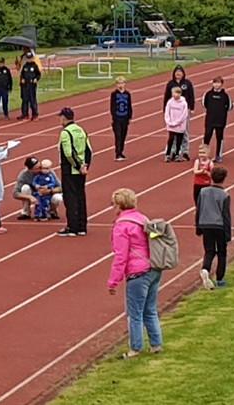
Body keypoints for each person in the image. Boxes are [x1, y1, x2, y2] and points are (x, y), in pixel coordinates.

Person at [106, 188, 163, 358]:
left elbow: (121, 256)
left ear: (119, 205)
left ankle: (135, 348)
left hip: (137, 272)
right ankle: (156, 344)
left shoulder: (122, 226)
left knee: (135, 313)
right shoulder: (142, 219)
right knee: (150, 309)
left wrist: (113, 281)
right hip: (153, 267)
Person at [57, 107, 92, 237]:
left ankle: (72, 227)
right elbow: (89, 150)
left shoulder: (65, 132)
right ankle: (82, 227)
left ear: (64, 118)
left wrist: (77, 166)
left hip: (70, 170)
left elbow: (68, 153)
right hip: (82, 170)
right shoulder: (81, 130)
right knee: (81, 196)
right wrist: (85, 166)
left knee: (70, 198)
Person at [196, 166, 232, 289]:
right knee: (222, 252)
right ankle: (220, 279)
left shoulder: (203, 192)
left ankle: (205, 269)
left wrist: (198, 227)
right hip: (219, 225)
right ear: (224, 179)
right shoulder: (225, 195)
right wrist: (228, 234)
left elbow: (199, 209)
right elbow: (226, 215)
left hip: (205, 224)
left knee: (209, 250)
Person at [162, 65, 195, 160]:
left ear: (183, 73)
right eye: (176, 72)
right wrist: (165, 109)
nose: (178, 74)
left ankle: (185, 151)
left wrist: (192, 107)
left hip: (184, 111)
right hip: (173, 112)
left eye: (180, 72)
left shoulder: (187, 83)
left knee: (184, 132)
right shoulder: (170, 84)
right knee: (172, 133)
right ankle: (172, 151)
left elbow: (191, 95)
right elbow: (166, 96)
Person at [202, 76, 232, 163]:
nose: (216, 85)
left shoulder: (225, 96)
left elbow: (229, 107)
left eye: (218, 83)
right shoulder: (208, 94)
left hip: (220, 121)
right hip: (210, 120)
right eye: (215, 83)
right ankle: (204, 154)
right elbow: (204, 104)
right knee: (207, 136)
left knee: (219, 137)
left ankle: (218, 155)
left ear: (222, 84)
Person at [110, 76, 133, 161]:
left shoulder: (127, 94)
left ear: (125, 84)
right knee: (118, 136)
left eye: (122, 83)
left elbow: (129, 105)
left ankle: (121, 151)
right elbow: (112, 106)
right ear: (116, 84)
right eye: (119, 83)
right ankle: (118, 153)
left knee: (123, 136)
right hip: (117, 118)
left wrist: (129, 116)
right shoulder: (114, 94)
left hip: (125, 118)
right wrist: (114, 116)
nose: (120, 85)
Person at [164, 87, 189, 162]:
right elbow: (167, 112)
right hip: (171, 125)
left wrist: (177, 122)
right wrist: (169, 121)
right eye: (174, 93)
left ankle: (177, 154)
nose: (176, 95)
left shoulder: (183, 103)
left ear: (180, 94)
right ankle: (168, 154)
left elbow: (184, 115)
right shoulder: (170, 102)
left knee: (179, 140)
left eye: (178, 93)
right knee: (171, 139)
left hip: (180, 125)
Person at [17, 51, 41, 121]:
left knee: (32, 100)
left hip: (32, 85)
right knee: (25, 100)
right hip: (25, 85)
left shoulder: (35, 66)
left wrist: (36, 79)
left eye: (30, 58)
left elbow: (38, 74)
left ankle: (35, 114)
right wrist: (22, 79)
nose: (29, 59)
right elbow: (22, 74)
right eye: (28, 58)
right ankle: (25, 114)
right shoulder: (25, 66)